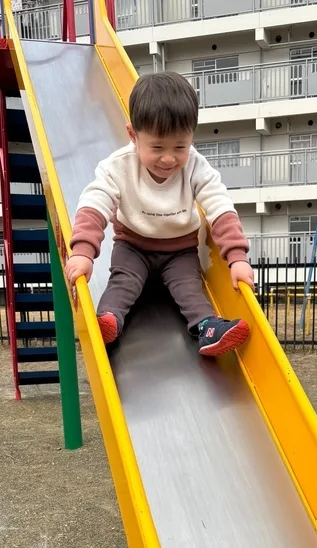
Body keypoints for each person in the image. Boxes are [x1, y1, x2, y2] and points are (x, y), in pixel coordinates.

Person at [65, 71, 255, 356]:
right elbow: (95, 202)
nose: (169, 158)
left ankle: (207, 327)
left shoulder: (195, 166)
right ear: (133, 135)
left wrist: (237, 258)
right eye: (157, 147)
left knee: (189, 288)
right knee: (123, 281)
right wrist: (82, 250)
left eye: (181, 146)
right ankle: (108, 322)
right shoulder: (118, 166)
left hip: (179, 252)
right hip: (133, 246)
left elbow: (219, 205)